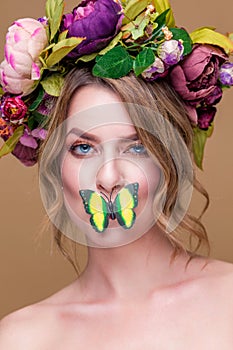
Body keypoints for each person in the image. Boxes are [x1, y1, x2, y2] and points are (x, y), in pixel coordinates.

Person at [0, 0, 233, 348]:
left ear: (169, 159)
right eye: (83, 148)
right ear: (53, 163)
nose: (108, 178)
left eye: (135, 147)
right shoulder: (20, 338)